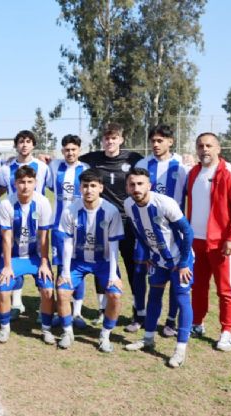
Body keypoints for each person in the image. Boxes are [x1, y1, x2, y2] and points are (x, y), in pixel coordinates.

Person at [123, 168, 194, 368]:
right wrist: (148, 254)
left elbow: (188, 232)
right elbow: (138, 231)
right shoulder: (128, 205)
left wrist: (183, 263)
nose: (136, 188)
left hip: (180, 260)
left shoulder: (165, 203)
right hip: (158, 260)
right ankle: (148, 338)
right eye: (132, 184)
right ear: (127, 187)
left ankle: (180, 349)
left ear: (149, 185)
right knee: (153, 297)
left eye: (140, 184)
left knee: (182, 300)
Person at [186, 133, 231, 352]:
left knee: (224, 289)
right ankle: (197, 323)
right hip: (196, 241)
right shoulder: (193, 173)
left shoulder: (229, 172)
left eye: (209, 145)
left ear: (218, 148)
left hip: (220, 243)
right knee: (198, 286)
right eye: (200, 146)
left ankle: (227, 331)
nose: (205, 149)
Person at [79, 123, 142, 327]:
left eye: (114, 138)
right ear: (102, 140)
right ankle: (102, 309)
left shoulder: (133, 158)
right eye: (106, 138)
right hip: (103, 221)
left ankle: (138, 310)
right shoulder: (93, 158)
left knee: (132, 266)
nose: (110, 141)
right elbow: (72, 158)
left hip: (128, 220)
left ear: (121, 139)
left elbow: (149, 168)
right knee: (103, 262)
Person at [55, 169, 124, 352]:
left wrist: (113, 275)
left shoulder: (111, 211)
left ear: (101, 188)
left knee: (115, 295)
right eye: (85, 186)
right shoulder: (70, 210)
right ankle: (67, 332)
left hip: (104, 261)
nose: (89, 190)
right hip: (78, 261)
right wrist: (65, 272)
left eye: (93, 186)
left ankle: (105, 335)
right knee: (62, 292)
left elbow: (114, 245)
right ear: (80, 188)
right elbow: (67, 243)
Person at [132, 125, 190, 336]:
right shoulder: (142, 164)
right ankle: (139, 315)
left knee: (175, 276)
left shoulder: (182, 166)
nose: (155, 144)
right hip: (147, 231)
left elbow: (188, 194)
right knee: (140, 271)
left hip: (173, 233)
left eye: (160, 140)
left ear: (170, 141)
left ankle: (171, 321)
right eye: (153, 141)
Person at [0, 166, 54, 344]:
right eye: (21, 182)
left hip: (35, 257)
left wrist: (44, 263)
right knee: (3, 289)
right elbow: (6, 238)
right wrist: (7, 266)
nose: (25, 186)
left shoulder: (43, 202)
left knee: (48, 289)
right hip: (13, 257)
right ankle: (5, 328)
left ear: (35, 183)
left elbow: (44, 237)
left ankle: (46, 329)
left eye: (29, 182)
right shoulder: (6, 204)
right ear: (15, 184)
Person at [0, 130, 52, 316]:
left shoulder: (43, 166)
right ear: (16, 145)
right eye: (21, 141)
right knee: (14, 256)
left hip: (37, 217)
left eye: (28, 141)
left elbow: (52, 187)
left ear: (33, 145)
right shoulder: (5, 167)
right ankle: (16, 303)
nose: (24, 145)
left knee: (38, 259)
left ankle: (42, 309)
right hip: (13, 216)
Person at [48, 135, 89, 326]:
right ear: (62, 151)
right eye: (67, 149)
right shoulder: (54, 166)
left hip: (81, 227)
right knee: (61, 267)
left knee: (78, 266)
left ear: (79, 150)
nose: (70, 153)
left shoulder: (86, 169)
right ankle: (61, 310)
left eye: (73, 149)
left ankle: (77, 312)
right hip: (58, 227)